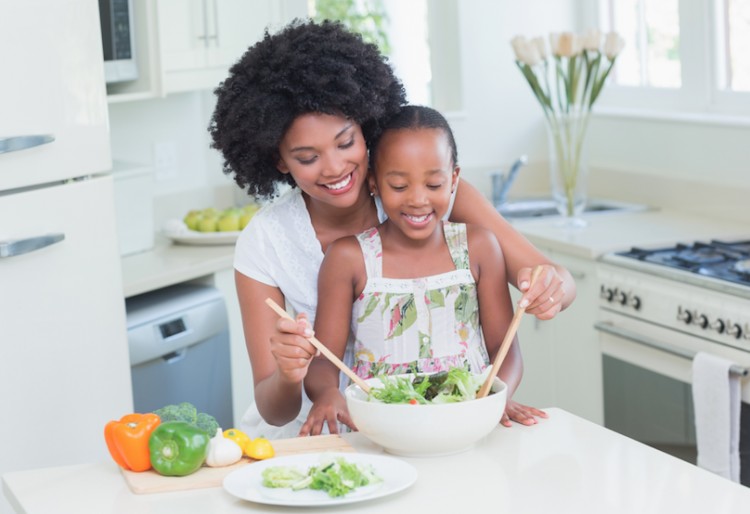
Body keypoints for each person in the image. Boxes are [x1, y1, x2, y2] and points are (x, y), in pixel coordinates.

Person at [209, 19, 576, 439]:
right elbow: (274, 410)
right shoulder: (266, 241)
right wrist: (290, 374)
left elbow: (556, 281)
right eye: (308, 157)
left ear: (367, 127)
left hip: (436, 424)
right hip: (320, 435)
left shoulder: (433, 197)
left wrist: (552, 289)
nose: (333, 168)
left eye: (346, 142)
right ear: (278, 161)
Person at [303, 105, 523, 435]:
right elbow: (322, 361)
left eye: (433, 185)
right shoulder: (349, 257)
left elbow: (506, 349)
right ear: (374, 183)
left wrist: (496, 394)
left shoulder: (479, 247)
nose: (418, 200)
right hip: (381, 429)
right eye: (399, 186)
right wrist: (327, 393)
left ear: (454, 179)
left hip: (467, 422)